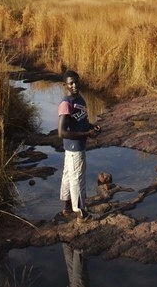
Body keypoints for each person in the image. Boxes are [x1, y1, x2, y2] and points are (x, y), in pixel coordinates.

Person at [58, 70, 101, 222]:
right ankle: (81, 213)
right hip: (74, 148)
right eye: (71, 83)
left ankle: (67, 208)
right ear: (65, 86)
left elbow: (80, 120)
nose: (74, 85)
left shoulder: (80, 99)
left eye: (76, 82)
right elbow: (62, 132)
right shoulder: (66, 103)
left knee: (69, 176)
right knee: (77, 179)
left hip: (77, 146)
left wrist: (91, 126)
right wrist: (87, 134)